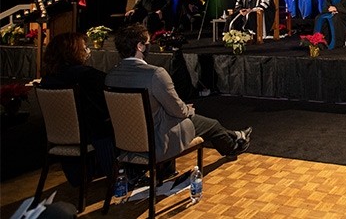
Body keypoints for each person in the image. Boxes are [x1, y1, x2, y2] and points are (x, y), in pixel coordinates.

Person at [105, 23, 253, 161]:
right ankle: (233, 148)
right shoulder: (155, 74)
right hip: (159, 138)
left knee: (206, 122)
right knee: (212, 125)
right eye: (148, 42)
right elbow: (177, 110)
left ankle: (236, 134)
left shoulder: (111, 76)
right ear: (140, 46)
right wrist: (188, 110)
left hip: (126, 139)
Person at [39, 32, 115, 186]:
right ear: (73, 52)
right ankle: (121, 175)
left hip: (59, 134)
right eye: (85, 47)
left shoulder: (47, 79)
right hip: (89, 135)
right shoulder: (87, 75)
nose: (88, 51)